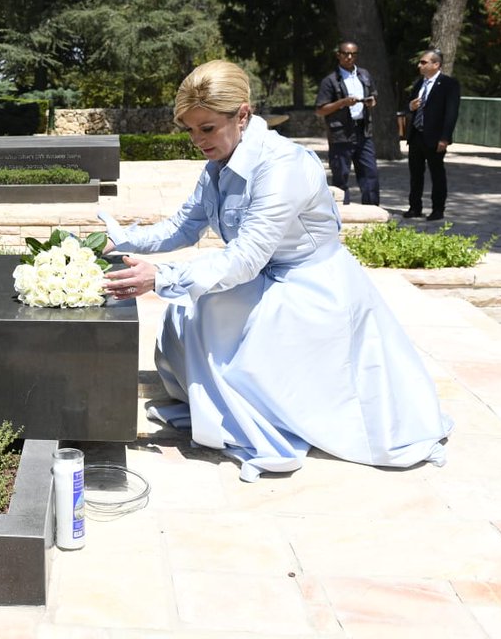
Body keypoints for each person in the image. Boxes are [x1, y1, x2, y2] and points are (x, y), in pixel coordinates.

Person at [98, 59, 452, 483]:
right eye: (190, 130)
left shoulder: (283, 165)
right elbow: (185, 225)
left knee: (209, 308)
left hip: (312, 286)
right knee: (190, 309)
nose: (198, 140)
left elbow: (247, 256)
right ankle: (225, 405)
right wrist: (123, 241)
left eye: (207, 128)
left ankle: (262, 412)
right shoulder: (218, 164)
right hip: (263, 274)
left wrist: (161, 277)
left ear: (242, 115)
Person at [315, 41, 379, 205]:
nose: (349, 57)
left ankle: (372, 211)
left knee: (370, 173)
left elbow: (373, 95)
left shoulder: (364, 75)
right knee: (341, 175)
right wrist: (342, 103)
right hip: (341, 134)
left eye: (353, 54)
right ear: (338, 55)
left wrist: (371, 101)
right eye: (345, 54)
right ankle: (341, 212)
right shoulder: (330, 80)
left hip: (363, 130)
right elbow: (320, 110)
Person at [402, 49, 460, 221]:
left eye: (423, 62)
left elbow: (451, 113)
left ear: (436, 64)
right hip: (416, 135)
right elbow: (409, 106)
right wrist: (411, 107)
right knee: (415, 174)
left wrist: (445, 138)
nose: (419, 65)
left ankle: (438, 209)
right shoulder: (419, 83)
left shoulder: (448, 84)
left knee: (437, 174)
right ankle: (415, 207)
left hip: (435, 137)